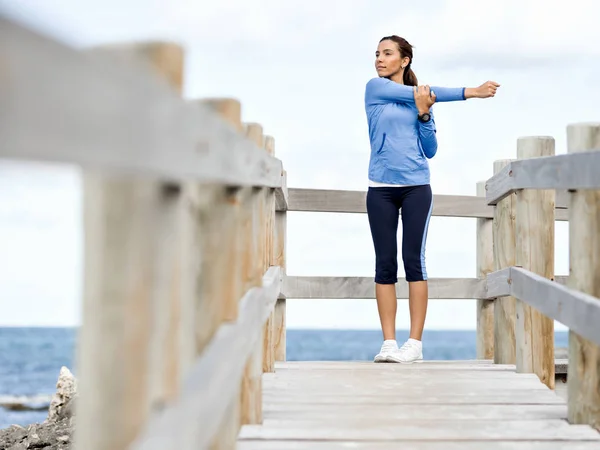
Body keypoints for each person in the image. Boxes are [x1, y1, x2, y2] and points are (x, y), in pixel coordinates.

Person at [365, 35, 499, 364]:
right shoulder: (375, 88)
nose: (380, 59)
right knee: (384, 265)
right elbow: (421, 94)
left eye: (387, 54)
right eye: (377, 54)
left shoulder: (422, 100)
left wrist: (425, 115)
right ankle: (388, 343)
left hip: (415, 188)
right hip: (380, 188)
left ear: (405, 60)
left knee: (414, 261)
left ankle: (414, 343)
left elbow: (431, 150)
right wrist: (471, 92)